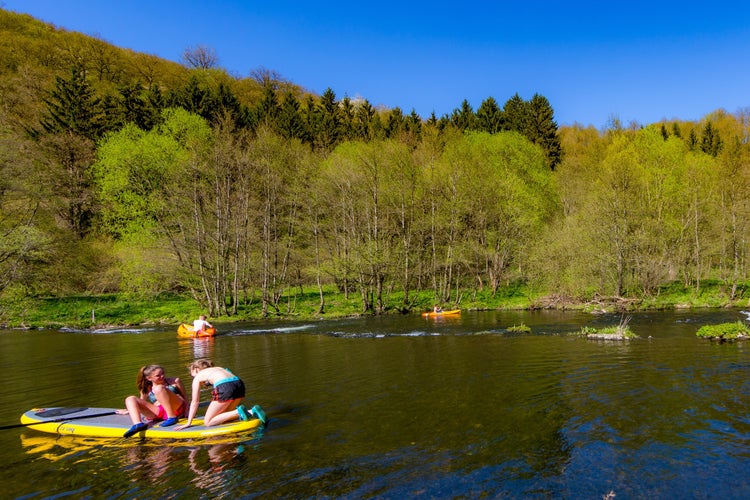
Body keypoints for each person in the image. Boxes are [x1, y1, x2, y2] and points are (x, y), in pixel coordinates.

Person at [175, 358, 266, 430]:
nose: (193, 377)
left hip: (225, 386)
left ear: (196, 369)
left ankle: (238, 412)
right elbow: (229, 379)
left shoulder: (198, 376)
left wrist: (188, 422)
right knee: (225, 415)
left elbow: (195, 402)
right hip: (239, 384)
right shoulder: (219, 368)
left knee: (208, 422)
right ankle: (252, 411)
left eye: (192, 374)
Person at [118, 364, 187, 438]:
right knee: (130, 398)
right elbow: (141, 402)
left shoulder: (174, 381)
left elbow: (185, 398)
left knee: (159, 388)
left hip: (176, 408)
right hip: (159, 411)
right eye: (158, 375)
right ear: (149, 378)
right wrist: (129, 410)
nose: (162, 376)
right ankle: (138, 424)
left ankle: (172, 417)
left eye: (163, 373)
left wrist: (188, 410)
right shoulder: (146, 388)